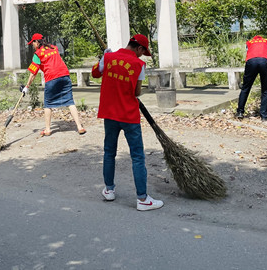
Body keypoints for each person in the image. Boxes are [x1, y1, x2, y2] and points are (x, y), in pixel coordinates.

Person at [92, 34, 164, 211]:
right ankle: (142, 199)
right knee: (137, 156)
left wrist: (103, 58)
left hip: (110, 114)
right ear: (139, 48)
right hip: (129, 116)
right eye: (142, 52)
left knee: (109, 152)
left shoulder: (109, 58)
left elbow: (95, 73)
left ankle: (109, 190)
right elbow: (136, 92)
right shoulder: (139, 65)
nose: (142, 56)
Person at [23, 33, 85, 136]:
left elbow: (33, 73)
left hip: (51, 78)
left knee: (48, 104)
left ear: (36, 42)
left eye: (32, 43)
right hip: (65, 75)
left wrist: (27, 86)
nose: (32, 45)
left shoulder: (38, 54)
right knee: (70, 101)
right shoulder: (53, 47)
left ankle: (47, 129)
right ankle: (79, 127)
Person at [236, 35, 267, 121]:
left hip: (251, 62)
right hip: (265, 62)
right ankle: (264, 116)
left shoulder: (249, 43)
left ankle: (240, 112)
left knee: (245, 88)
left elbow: (249, 56)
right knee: (265, 90)